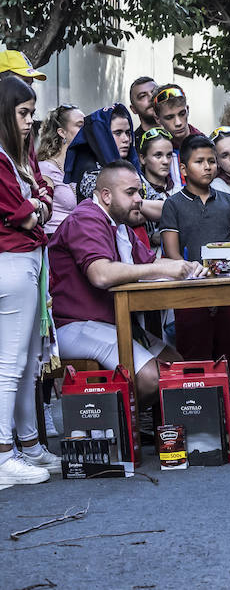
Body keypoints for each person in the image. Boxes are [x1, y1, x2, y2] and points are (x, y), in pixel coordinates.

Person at [50, 161, 198, 404]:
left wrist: (189, 268)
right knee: (152, 377)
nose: (139, 199)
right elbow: (101, 274)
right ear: (106, 195)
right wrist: (162, 267)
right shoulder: (86, 218)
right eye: (130, 192)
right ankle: (117, 426)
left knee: (177, 365)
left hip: (112, 323)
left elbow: (150, 262)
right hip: (76, 325)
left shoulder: (119, 225)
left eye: (139, 192)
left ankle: (146, 428)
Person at [159, 135, 230, 441]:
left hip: (229, 291)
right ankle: (202, 422)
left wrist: (222, 267)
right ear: (183, 167)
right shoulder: (173, 205)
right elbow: (172, 254)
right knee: (195, 357)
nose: (207, 167)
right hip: (190, 294)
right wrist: (191, 270)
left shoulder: (227, 201)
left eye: (211, 161)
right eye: (199, 162)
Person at [0, 76, 58, 485]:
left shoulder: (18, 156)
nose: (29, 122)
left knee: (26, 363)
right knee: (11, 363)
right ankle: (4, 455)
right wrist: (36, 204)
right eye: (23, 113)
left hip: (29, 259)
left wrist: (37, 203)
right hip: (12, 260)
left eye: (31, 114)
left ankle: (29, 445)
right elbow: (25, 212)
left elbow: (43, 200)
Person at [67, 104, 139, 202]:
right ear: (103, 136)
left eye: (128, 133)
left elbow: (157, 200)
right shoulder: (89, 173)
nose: (126, 139)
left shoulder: (131, 164)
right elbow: (120, 203)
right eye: (118, 133)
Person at [36, 103, 83, 234]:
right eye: (80, 125)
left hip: (82, 238)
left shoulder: (83, 166)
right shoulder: (46, 168)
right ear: (62, 132)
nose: (86, 130)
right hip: (56, 239)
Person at [152, 84, 202, 188]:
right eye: (169, 117)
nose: (178, 122)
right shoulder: (154, 151)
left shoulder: (206, 145)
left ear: (187, 110)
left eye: (182, 113)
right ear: (157, 119)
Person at [135, 127, 175, 249]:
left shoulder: (181, 187)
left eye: (169, 155)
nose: (165, 161)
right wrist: (152, 237)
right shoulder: (136, 192)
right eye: (158, 155)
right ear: (142, 158)